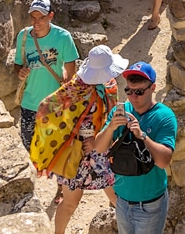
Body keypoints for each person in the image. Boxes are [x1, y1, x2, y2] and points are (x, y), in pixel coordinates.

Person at [31, 45, 127, 234]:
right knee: (70, 203)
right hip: (79, 155)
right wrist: (67, 136)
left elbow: (110, 113)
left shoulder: (108, 85)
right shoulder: (76, 89)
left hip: (103, 150)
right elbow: (46, 108)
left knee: (119, 199)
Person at [93, 62, 178, 234]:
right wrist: (110, 128)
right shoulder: (122, 111)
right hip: (122, 201)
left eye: (139, 91)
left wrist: (142, 136)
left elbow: (163, 162)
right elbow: (99, 148)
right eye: (129, 91)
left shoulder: (164, 117)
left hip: (150, 205)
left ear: (153, 88)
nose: (133, 97)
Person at [13, 0, 78, 153]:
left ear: (51, 16)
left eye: (41, 18)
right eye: (33, 17)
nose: (36, 23)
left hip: (54, 103)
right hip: (29, 102)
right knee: (29, 148)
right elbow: (17, 64)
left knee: (52, 149)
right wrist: (19, 72)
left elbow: (71, 74)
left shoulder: (63, 37)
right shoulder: (23, 36)